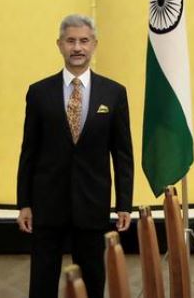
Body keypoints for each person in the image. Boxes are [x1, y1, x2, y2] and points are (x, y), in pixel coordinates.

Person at [16, 15, 134, 298]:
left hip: (92, 204)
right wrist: (24, 203)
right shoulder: (39, 92)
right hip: (46, 205)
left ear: (94, 45)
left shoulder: (114, 93)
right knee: (42, 282)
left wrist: (124, 204)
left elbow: (122, 154)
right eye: (71, 41)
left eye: (84, 41)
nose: (77, 47)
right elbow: (28, 152)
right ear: (59, 45)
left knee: (93, 280)